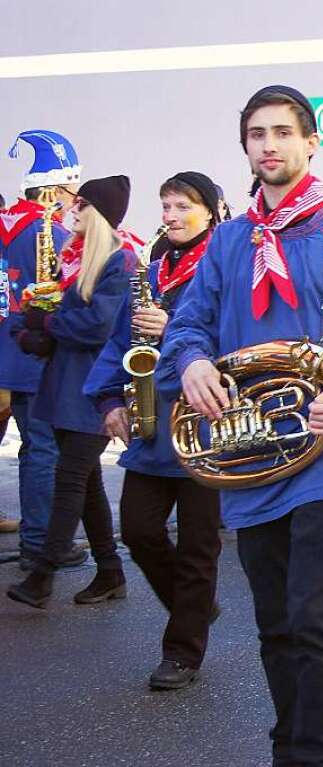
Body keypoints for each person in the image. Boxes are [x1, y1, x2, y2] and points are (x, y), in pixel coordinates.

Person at [156, 85, 323, 766]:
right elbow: (189, 323)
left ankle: (311, 756)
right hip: (248, 455)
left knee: (312, 618)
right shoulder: (229, 241)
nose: (269, 145)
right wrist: (188, 362)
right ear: (245, 146)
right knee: (274, 624)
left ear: (312, 141)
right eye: (256, 134)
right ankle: (289, 746)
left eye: (282, 132)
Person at [83, 171, 223, 690]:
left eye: (183, 206)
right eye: (165, 206)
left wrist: (177, 331)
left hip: (207, 424)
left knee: (198, 545)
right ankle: (196, 606)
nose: (171, 215)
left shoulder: (225, 264)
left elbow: (245, 335)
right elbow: (120, 336)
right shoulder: (154, 268)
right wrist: (108, 398)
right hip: (151, 426)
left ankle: (182, 652)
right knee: (139, 532)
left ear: (210, 210)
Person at [6, 175, 135, 608]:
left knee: (70, 480)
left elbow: (98, 326)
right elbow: (65, 318)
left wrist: (48, 326)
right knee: (89, 484)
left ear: (96, 214)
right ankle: (110, 570)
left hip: (95, 386)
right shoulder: (74, 258)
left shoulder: (119, 261)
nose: (70, 211)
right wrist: (34, 329)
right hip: (64, 383)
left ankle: (42, 574)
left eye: (79, 205)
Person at [0, 130, 84, 568]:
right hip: (32, 355)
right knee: (43, 448)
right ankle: (39, 544)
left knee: (36, 447)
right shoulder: (49, 232)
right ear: (53, 189)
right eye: (72, 191)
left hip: (5, 352)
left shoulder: (5, 221)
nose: (75, 201)